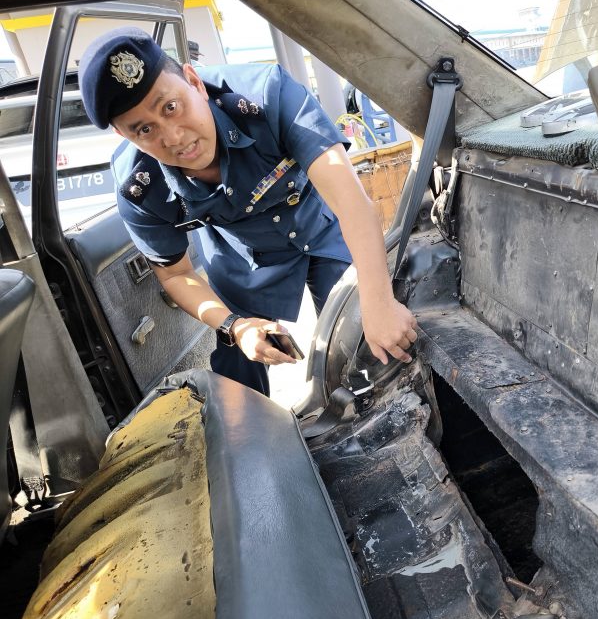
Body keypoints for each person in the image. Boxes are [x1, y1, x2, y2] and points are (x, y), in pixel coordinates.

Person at [78, 27, 417, 395]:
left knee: (370, 343)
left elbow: (351, 201)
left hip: (317, 228)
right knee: (235, 383)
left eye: (171, 107)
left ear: (194, 81)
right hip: (241, 262)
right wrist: (235, 327)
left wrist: (379, 303)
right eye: (145, 129)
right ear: (125, 137)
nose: (173, 138)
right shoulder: (138, 188)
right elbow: (176, 275)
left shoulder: (267, 96)